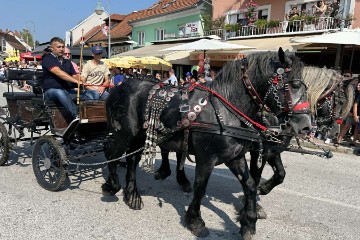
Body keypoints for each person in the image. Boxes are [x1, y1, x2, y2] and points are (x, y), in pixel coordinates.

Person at [42, 37, 84, 120]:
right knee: (59, 92)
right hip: (51, 92)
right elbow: (59, 73)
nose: (61, 49)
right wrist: (76, 81)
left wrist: (81, 80)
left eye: (63, 47)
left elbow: (74, 75)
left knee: (91, 93)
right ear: (52, 48)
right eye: (58, 47)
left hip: (67, 90)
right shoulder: (47, 58)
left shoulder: (67, 62)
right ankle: (77, 115)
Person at [335, 79, 360, 147]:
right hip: (352, 113)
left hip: (357, 115)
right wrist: (351, 112)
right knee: (346, 126)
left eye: (359, 85)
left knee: (356, 129)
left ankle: (353, 142)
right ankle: (339, 140)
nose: (357, 86)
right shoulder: (354, 93)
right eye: (357, 85)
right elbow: (352, 104)